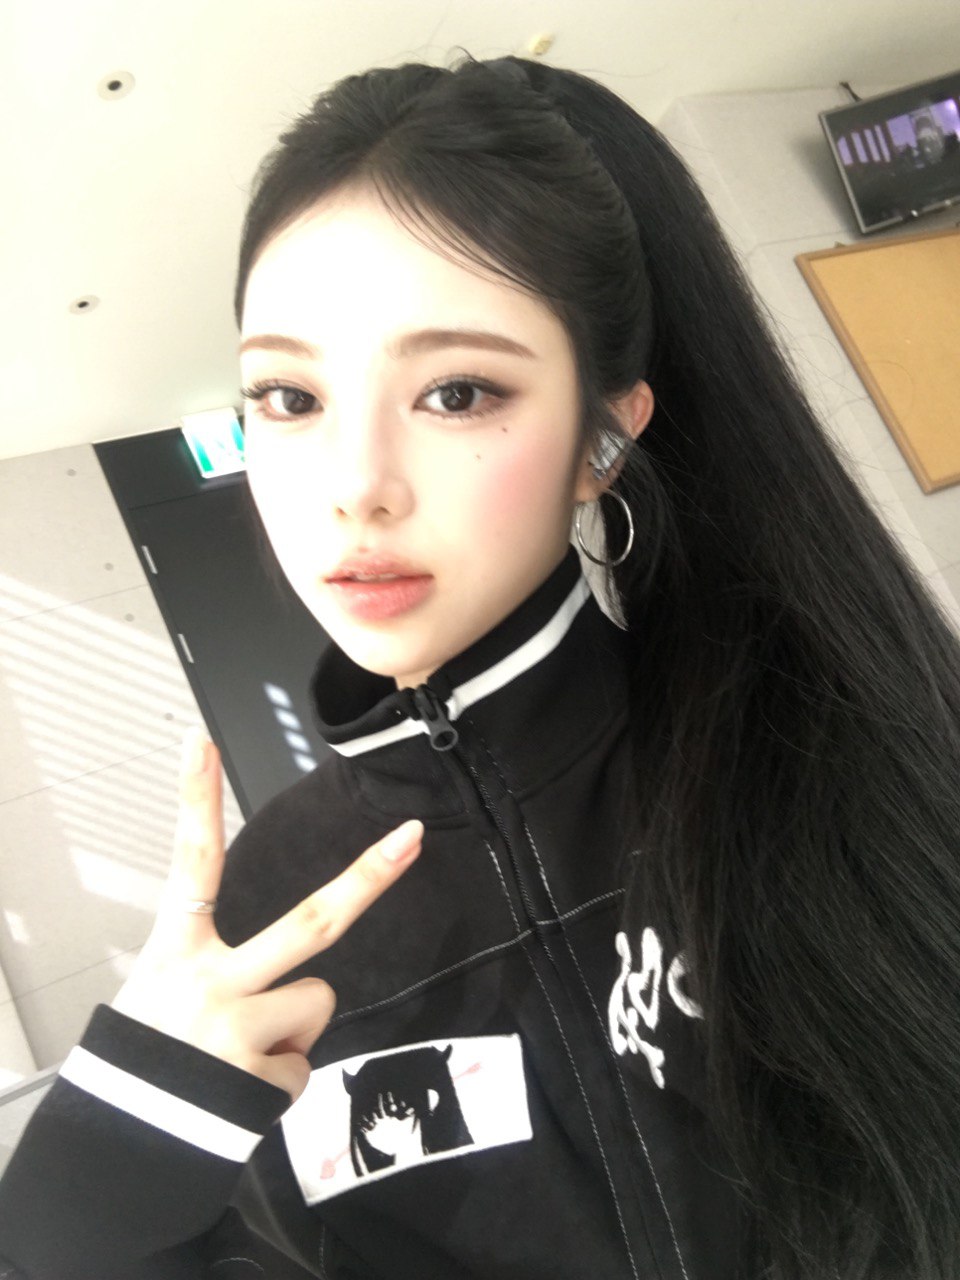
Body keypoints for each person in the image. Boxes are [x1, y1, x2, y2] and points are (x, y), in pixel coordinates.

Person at [1, 48, 960, 1280]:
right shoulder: (264, 916)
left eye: (456, 391)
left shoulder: (836, 755)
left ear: (601, 440)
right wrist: (91, 1192)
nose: (354, 487)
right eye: (288, 396)